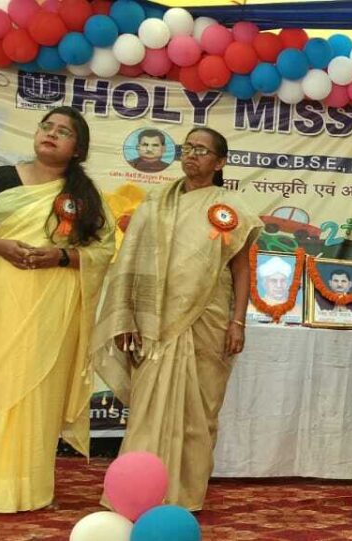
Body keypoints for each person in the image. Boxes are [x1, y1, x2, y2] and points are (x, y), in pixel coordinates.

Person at [0, 106, 115, 513]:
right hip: (1, 300)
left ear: (78, 149)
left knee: (40, 390)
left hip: (52, 309)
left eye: (64, 132)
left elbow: (104, 250)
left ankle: (34, 487)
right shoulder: (1, 178)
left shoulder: (84, 196)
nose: (51, 134)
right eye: (47, 127)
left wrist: (59, 257)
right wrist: (3, 247)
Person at [92, 127, 262, 511]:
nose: (192, 155)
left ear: (219, 162)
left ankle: (184, 496)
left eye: (202, 150)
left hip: (208, 320)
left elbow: (240, 269)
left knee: (197, 413)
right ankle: (137, 491)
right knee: (147, 410)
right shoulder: (157, 202)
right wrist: (127, 317)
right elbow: (132, 263)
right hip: (153, 325)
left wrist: (238, 322)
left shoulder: (230, 207)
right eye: (188, 148)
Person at [256, 255, 302, 321]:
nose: (279, 285)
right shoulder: (252, 308)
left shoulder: (299, 310)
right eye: (274, 281)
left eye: (283, 280)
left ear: (288, 283)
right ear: (264, 284)